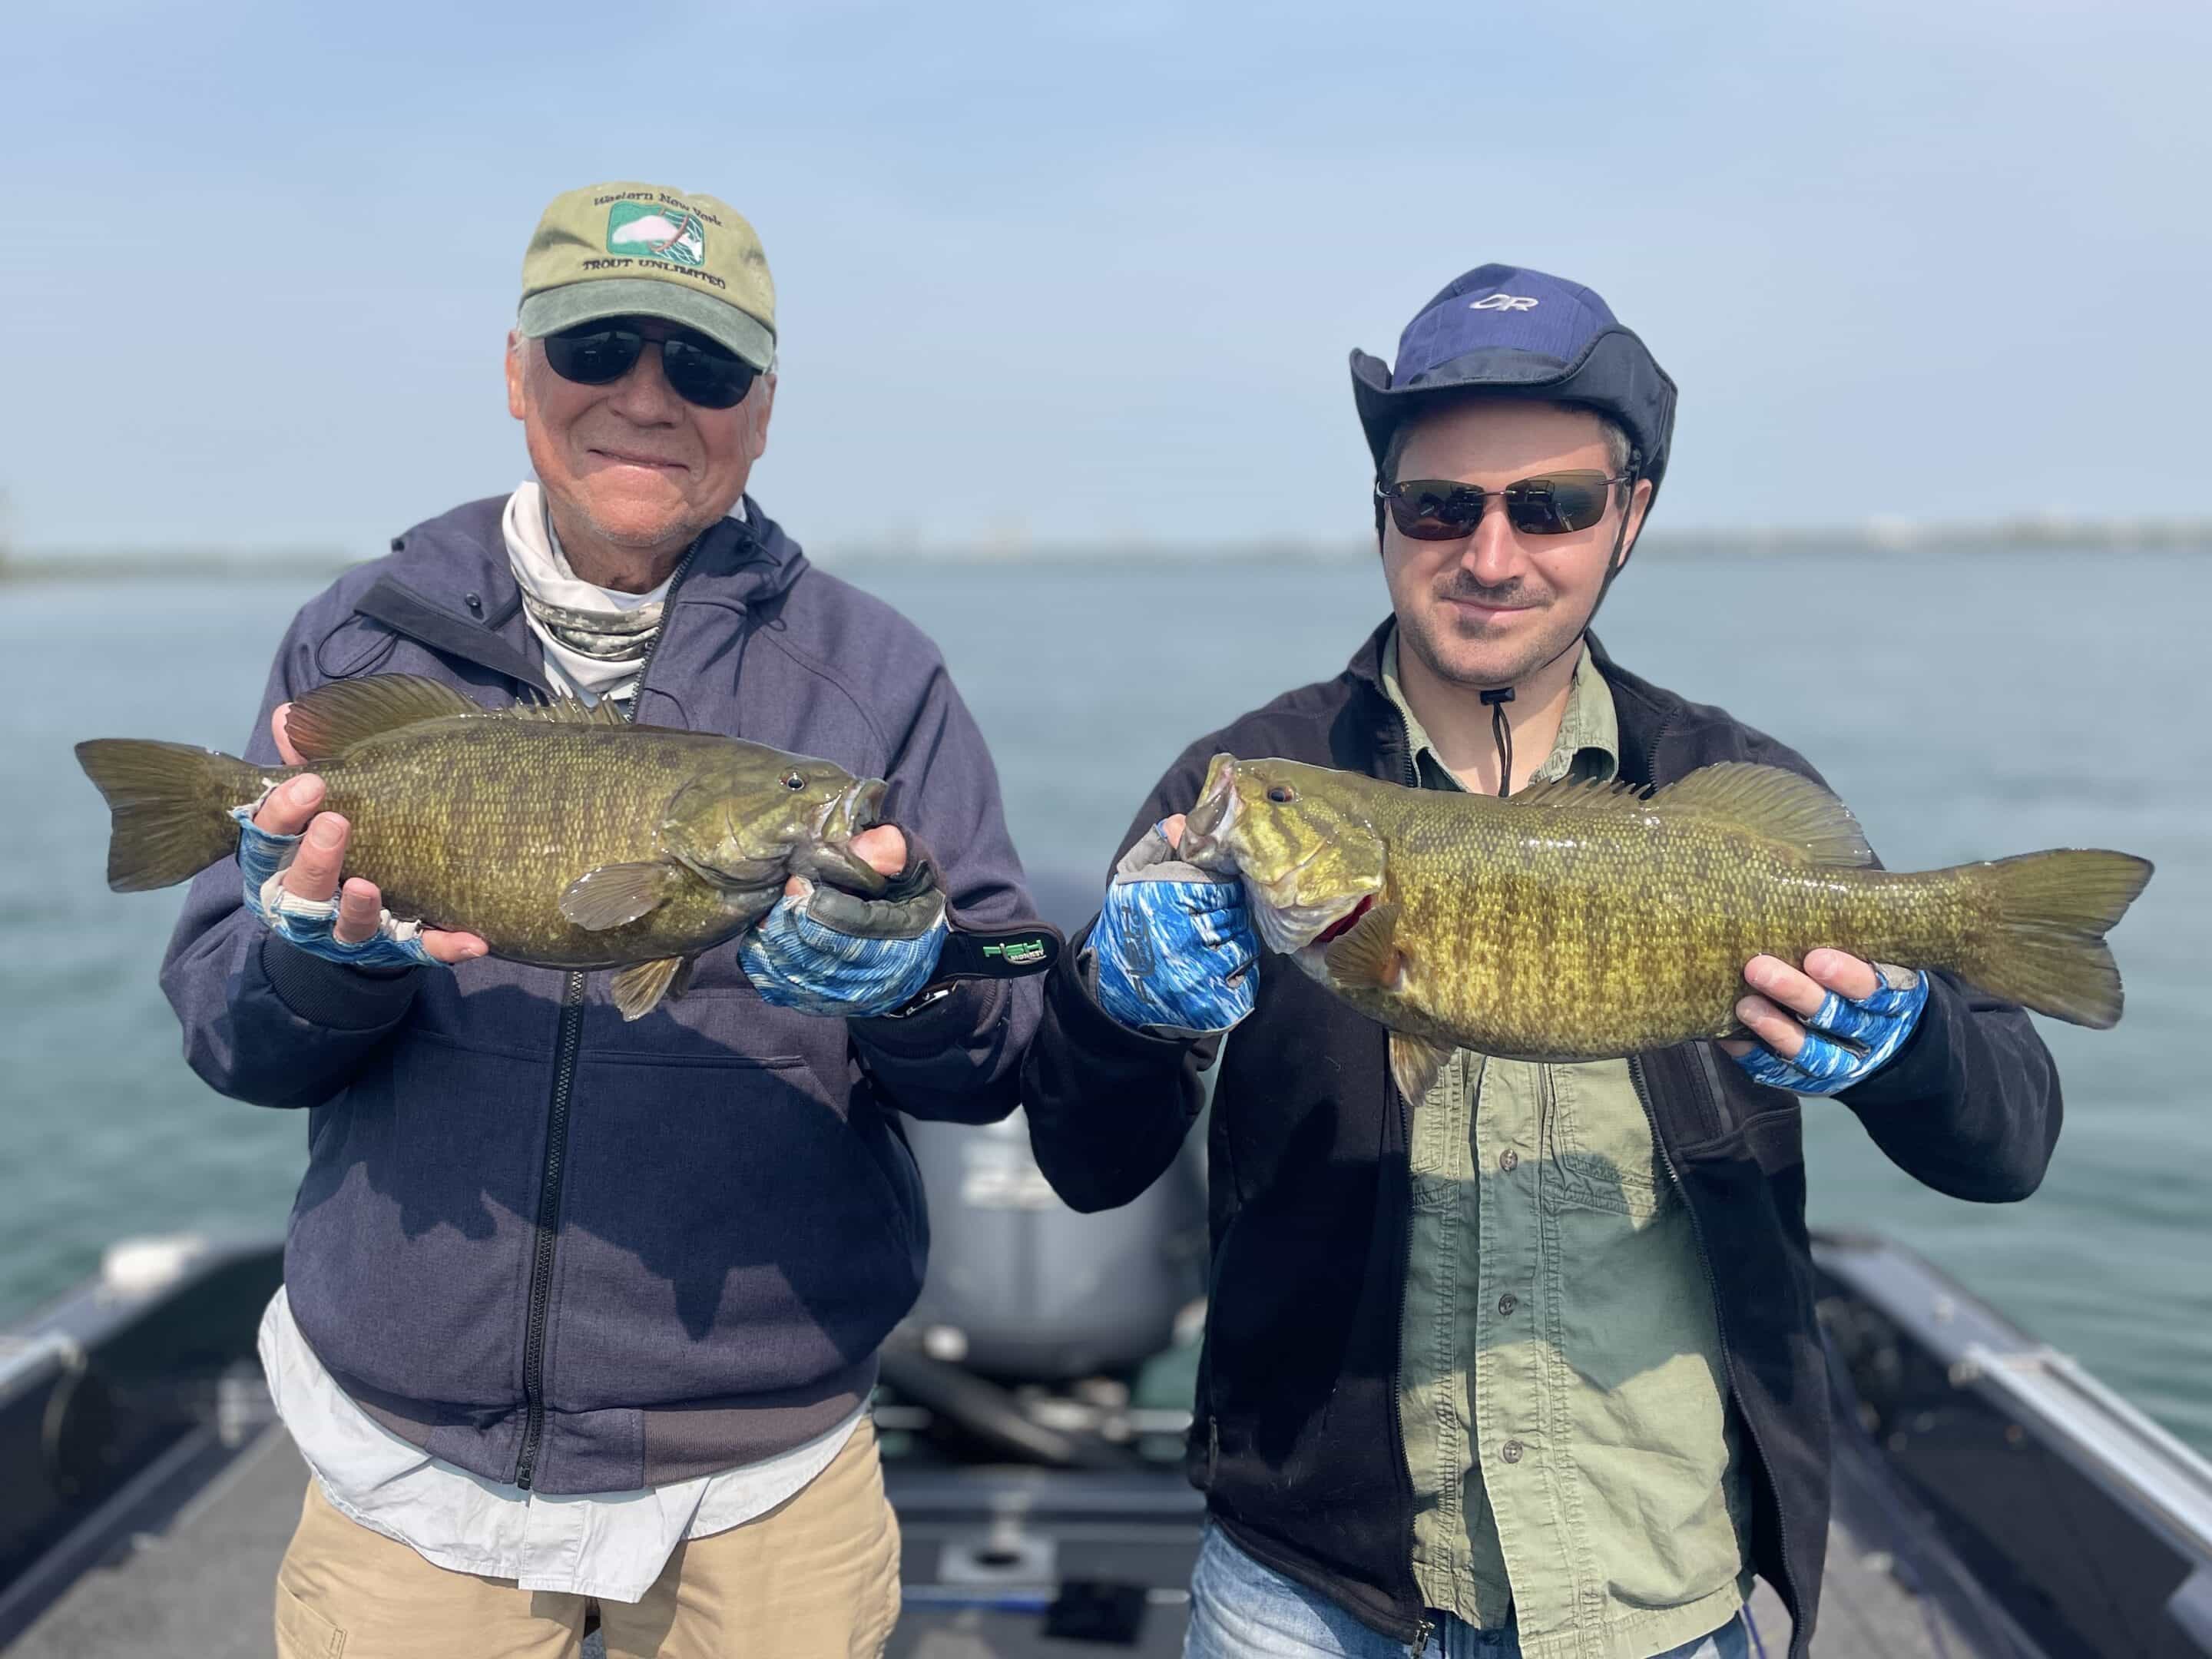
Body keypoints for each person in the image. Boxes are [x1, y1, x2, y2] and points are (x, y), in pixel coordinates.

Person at [1020, 264, 2063, 1659]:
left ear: (1628, 518)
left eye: (1553, 506)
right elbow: (1089, 1165)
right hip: (1310, 1589)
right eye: (1441, 504)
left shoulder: (1732, 789)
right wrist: (1116, 1011)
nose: (1492, 554)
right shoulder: (1252, 791)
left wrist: (1911, 1045)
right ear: (1384, 516)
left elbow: (2007, 1142)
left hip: (1656, 1589)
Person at [162, 180, 1046, 1659]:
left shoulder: (877, 677)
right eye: (596, 352)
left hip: (763, 1475)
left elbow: (1003, 1027)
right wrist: (311, 972)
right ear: (518, 375)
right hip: (407, 1466)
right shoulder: (360, 632)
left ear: (762, 409)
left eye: (702, 369)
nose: (647, 400)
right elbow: (229, 1035)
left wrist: (911, 985)